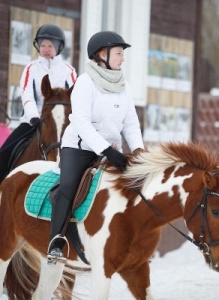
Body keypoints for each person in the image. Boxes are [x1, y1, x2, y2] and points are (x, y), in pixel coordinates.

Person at [47, 31, 145, 262]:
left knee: (135, 186)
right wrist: (107, 150)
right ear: (102, 54)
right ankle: (55, 242)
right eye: (119, 53)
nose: (122, 59)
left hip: (112, 149)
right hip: (79, 148)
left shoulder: (124, 85)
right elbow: (81, 122)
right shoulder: (85, 82)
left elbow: (131, 123)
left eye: (122, 54)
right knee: (68, 187)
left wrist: (139, 151)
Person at [0, 24, 77, 183]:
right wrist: (34, 116)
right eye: (42, 45)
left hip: (62, 122)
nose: (46, 49)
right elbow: (27, 94)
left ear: (58, 47)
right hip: (33, 121)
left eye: (50, 45)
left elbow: (75, 96)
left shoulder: (68, 70)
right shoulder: (31, 68)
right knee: (4, 152)